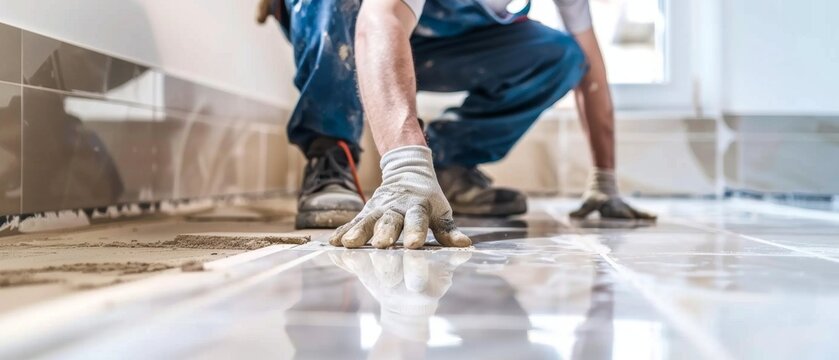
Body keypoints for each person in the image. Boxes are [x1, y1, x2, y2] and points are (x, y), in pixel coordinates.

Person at [257, 0, 655, 249]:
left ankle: (448, 163)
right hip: (347, 18)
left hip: (433, 44)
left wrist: (605, 180)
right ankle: (332, 157)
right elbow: (381, 18)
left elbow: (591, 72)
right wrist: (405, 167)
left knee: (563, 57)